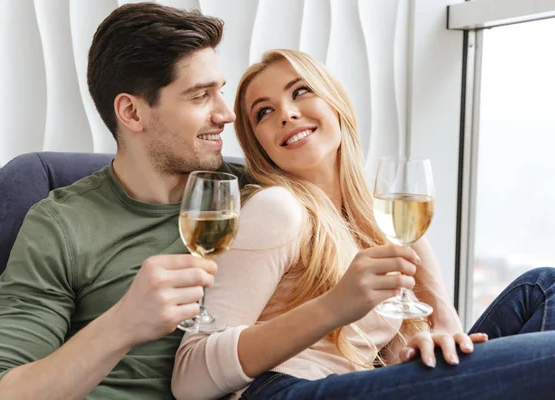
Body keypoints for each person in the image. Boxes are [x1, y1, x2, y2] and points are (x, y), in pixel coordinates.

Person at [171, 49, 555, 400]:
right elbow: (189, 377)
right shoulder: (278, 209)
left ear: (336, 103)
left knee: (542, 286)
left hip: (355, 385)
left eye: (300, 91)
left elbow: (388, 345)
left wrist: (434, 327)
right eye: (263, 112)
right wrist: (334, 306)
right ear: (261, 146)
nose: (286, 113)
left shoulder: (371, 218)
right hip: (283, 390)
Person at [0, 3, 242, 400]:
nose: (226, 114)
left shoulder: (253, 195)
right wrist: (123, 323)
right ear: (131, 111)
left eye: (221, 91)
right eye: (200, 96)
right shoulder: (61, 225)